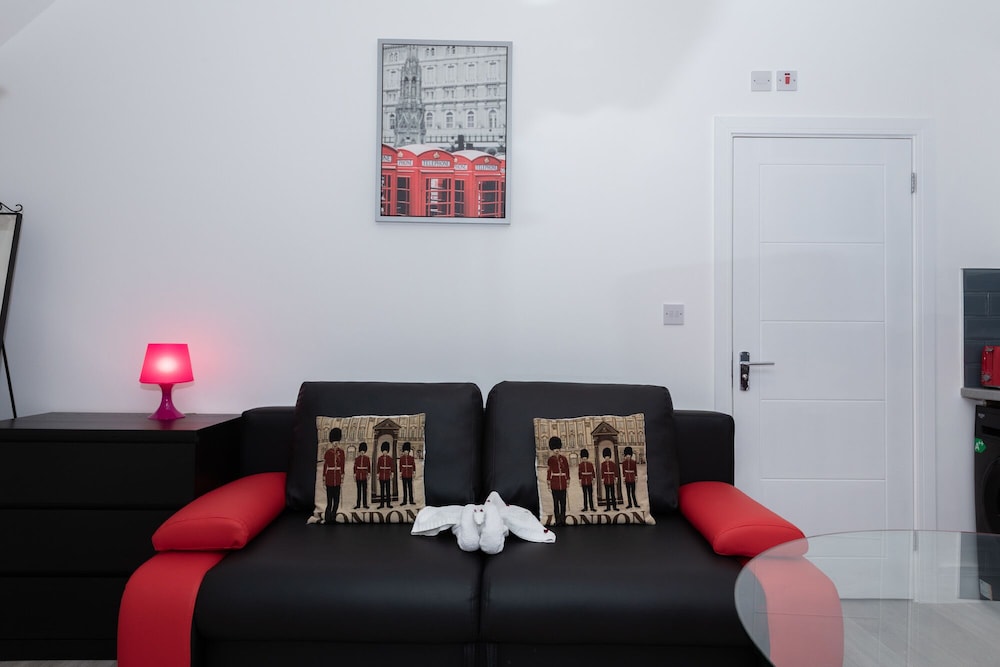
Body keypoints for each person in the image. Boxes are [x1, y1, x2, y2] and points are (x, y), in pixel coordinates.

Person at [323, 428, 346, 523]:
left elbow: (342, 464)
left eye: (336, 441)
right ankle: (327, 518)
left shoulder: (342, 452)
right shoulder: (328, 452)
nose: (335, 443)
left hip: (337, 477)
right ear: (331, 442)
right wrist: (324, 478)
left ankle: (333, 517)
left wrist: (342, 476)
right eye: (333, 441)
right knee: (329, 501)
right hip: (329, 478)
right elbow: (325, 466)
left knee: (336, 500)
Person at [546, 436, 569, 525]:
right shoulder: (550, 459)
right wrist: (548, 481)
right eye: (555, 448)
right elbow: (549, 471)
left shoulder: (564, 459)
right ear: (552, 449)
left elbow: (567, 470)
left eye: (558, 448)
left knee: (563, 503)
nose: (556, 450)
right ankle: (557, 520)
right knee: (556, 503)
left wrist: (568, 479)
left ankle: (563, 520)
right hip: (554, 483)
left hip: (562, 482)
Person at [600, 447, 619, 512]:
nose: (607, 458)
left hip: (611, 480)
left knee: (613, 494)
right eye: (606, 457)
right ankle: (608, 507)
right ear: (604, 457)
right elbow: (602, 472)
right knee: (607, 495)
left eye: (608, 456)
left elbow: (615, 471)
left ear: (609, 457)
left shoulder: (612, 464)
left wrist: (616, 477)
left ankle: (614, 507)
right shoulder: (602, 464)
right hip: (606, 480)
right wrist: (602, 479)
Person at [376, 441, 394, 509]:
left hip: (387, 475)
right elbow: (378, 466)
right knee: (382, 491)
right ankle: (382, 504)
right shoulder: (380, 458)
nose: (385, 452)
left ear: (387, 451)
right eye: (384, 451)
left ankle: (388, 504)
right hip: (381, 476)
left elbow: (392, 466)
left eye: (386, 451)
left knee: (388, 490)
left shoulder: (390, 458)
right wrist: (378, 474)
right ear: (382, 451)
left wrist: (392, 473)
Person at [353, 442, 370, 509]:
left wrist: (368, 474)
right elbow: (355, 467)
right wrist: (355, 474)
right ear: (360, 451)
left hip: (364, 476)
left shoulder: (367, 458)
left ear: (364, 451)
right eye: (361, 451)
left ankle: (365, 504)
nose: (362, 452)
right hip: (358, 476)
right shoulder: (357, 458)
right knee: (359, 491)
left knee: (364, 491)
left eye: (363, 451)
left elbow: (369, 467)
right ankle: (358, 504)